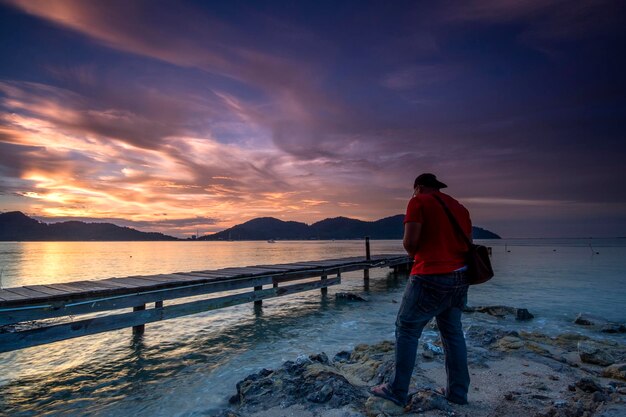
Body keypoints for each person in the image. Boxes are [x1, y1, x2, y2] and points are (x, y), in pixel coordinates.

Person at [371, 173, 471, 407]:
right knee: (453, 334)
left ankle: (397, 390)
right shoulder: (459, 207)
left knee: (406, 329)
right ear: (437, 187)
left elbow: (410, 242)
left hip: (430, 275)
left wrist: (415, 252)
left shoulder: (418, 202)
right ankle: (458, 393)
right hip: (460, 277)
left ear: (418, 187)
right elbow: (466, 241)